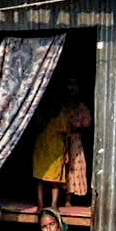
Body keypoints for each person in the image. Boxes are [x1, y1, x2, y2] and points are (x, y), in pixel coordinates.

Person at [33, 79, 92, 210]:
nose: (71, 88)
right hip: (56, 142)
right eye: (69, 85)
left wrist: (73, 127)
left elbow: (87, 124)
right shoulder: (59, 108)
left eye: (74, 85)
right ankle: (53, 201)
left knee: (73, 168)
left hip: (73, 141)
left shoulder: (80, 107)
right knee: (57, 171)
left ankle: (68, 199)